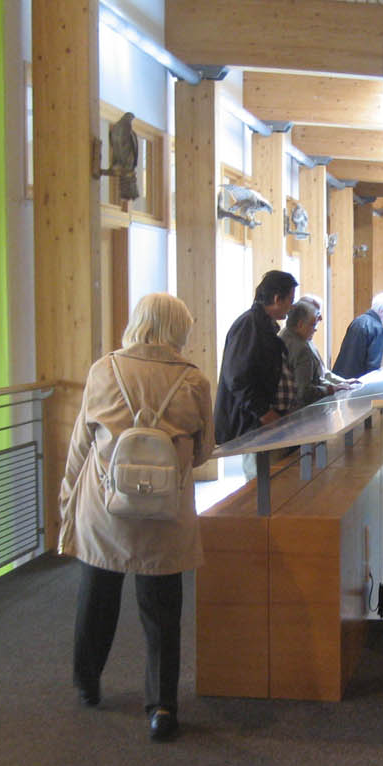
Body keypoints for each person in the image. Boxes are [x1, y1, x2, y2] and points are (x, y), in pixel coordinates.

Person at [58, 293, 214, 741]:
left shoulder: (103, 370)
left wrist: (66, 501)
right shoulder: (193, 381)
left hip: (106, 507)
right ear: (177, 329)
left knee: (97, 595)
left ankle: (88, 683)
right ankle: (162, 706)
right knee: (162, 610)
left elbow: (81, 445)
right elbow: (204, 451)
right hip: (165, 511)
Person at [214, 270, 297, 445]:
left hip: (256, 425)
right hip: (246, 426)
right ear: (277, 299)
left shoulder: (264, 325)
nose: (291, 306)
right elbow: (237, 377)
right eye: (290, 300)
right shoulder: (249, 324)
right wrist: (264, 412)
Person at [278, 296, 353, 410]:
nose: (316, 328)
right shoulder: (301, 347)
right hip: (303, 411)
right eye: (313, 324)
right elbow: (304, 392)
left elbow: (321, 372)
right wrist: (331, 389)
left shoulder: (294, 337)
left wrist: (342, 383)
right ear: (300, 324)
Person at [332, 291, 383, 378]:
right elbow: (373, 365)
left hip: (340, 377)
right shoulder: (378, 329)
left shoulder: (357, 321)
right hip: (359, 381)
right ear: (381, 311)